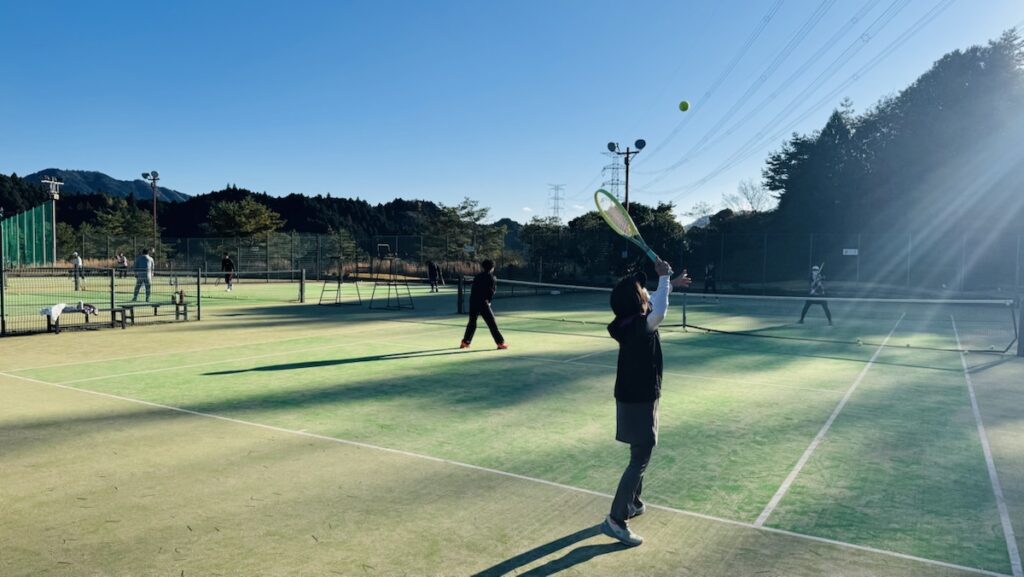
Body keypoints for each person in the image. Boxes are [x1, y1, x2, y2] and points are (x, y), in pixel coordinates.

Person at [601, 259, 690, 547]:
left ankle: (633, 502)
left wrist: (669, 284)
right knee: (641, 456)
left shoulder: (627, 321)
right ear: (636, 301)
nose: (646, 294)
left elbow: (653, 302)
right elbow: (659, 311)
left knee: (638, 450)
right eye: (642, 292)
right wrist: (663, 278)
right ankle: (616, 519)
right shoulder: (642, 325)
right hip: (640, 397)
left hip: (630, 395)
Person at [460, 259, 508, 350]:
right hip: (483, 303)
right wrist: (488, 302)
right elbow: (491, 292)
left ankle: (465, 342)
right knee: (492, 323)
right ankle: (500, 343)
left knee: (472, 323)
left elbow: (474, 289)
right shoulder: (492, 278)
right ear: (492, 268)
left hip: (473, 302)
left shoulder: (478, 276)